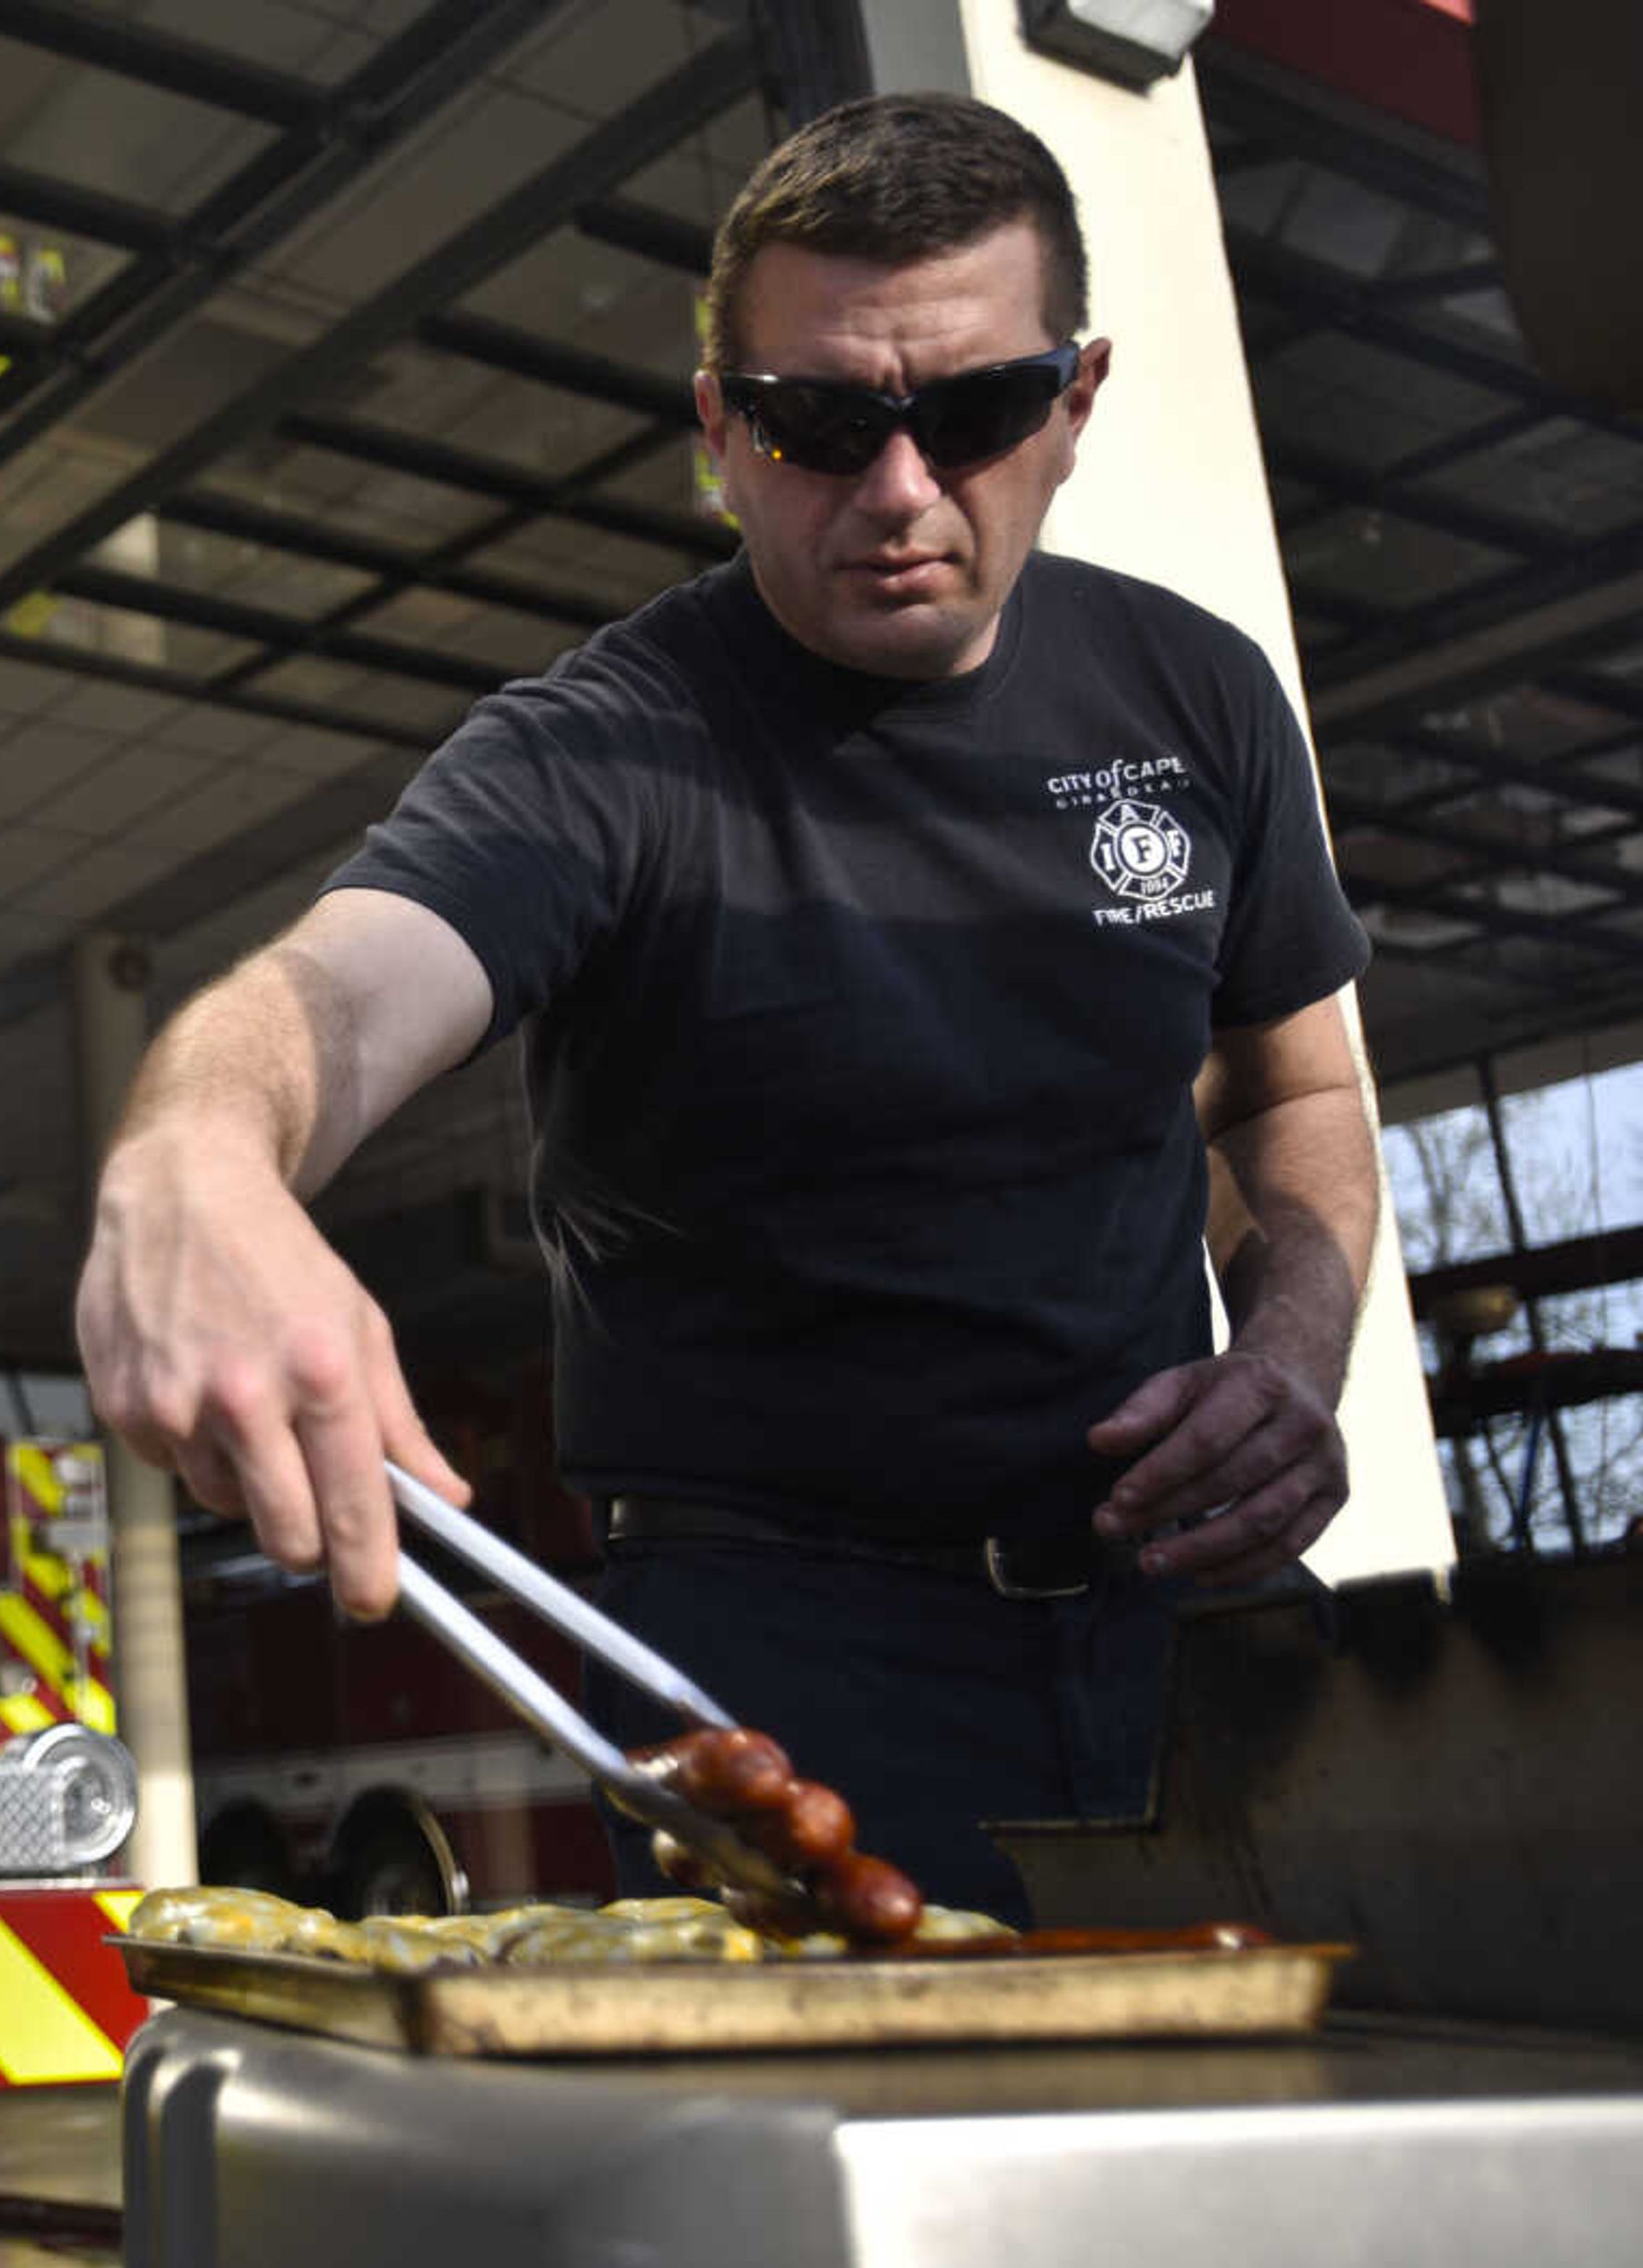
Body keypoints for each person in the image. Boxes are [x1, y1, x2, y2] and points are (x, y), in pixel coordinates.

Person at [73, 92, 1379, 1921]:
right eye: (822, 426)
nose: (903, 491)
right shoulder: (607, 753)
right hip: (779, 1660)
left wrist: (1294, 1348)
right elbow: (343, 996)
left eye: (979, 412)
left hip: (1191, 1614)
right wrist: (199, 1150)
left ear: (1073, 404)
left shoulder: (1201, 695)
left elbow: (1287, 1089)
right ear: (721, 434)